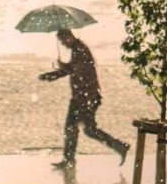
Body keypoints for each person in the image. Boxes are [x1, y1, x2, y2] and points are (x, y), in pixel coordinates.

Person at [38, 28, 129, 168]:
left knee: (84, 129)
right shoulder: (78, 49)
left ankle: (119, 146)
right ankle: (70, 159)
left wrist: (57, 73)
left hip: (86, 97)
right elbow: (74, 69)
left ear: (69, 36)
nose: (63, 44)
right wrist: (57, 72)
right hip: (83, 97)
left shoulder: (80, 50)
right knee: (74, 128)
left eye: (63, 41)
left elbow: (76, 71)